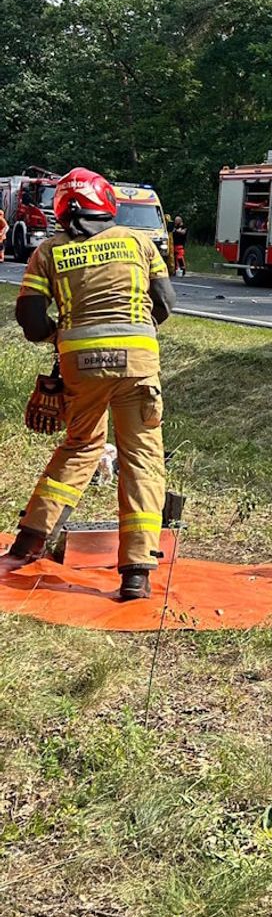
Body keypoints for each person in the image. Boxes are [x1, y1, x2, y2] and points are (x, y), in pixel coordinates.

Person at [0, 168, 176, 600]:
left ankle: (29, 540)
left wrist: (60, 336)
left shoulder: (48, 252)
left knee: (80, 446)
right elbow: (166, 304)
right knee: (142, 460)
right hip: (137, 366)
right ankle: (136, 572)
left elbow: (31, 319)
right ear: (108, 205)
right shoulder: (139, 242)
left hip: (80, 366)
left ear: (62, 210)